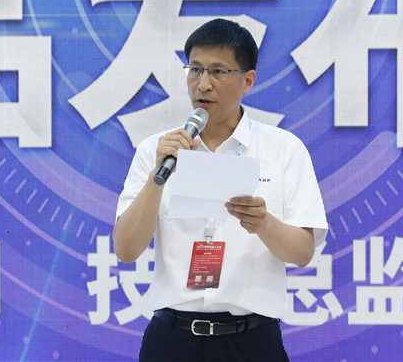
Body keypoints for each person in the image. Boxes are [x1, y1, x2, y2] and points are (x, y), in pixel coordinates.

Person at [113, 18, 328, 361]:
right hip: (172, 340)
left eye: (218, 72)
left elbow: (303, 253)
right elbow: (126, 250)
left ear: (248, 80)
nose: (203, 84)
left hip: (252, 341)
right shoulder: (157, 150)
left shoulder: (283, 149)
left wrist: (263, 223)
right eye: (195, 70)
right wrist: (158, 175)